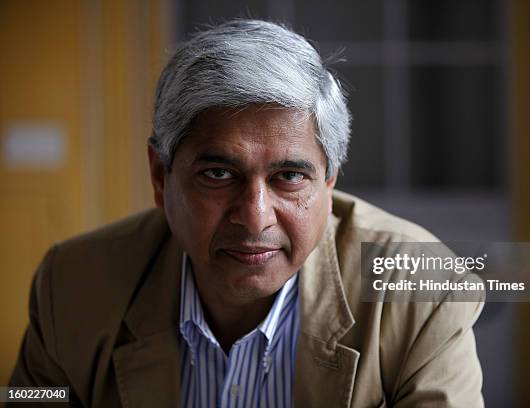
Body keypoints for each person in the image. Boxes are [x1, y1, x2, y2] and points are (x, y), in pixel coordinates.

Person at [10, 19, 484, 407]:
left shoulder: (422, 287)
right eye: (218, 174)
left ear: (329, 180)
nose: (255, 218)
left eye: (290, 177)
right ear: (161, 176)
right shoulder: (72, 285)